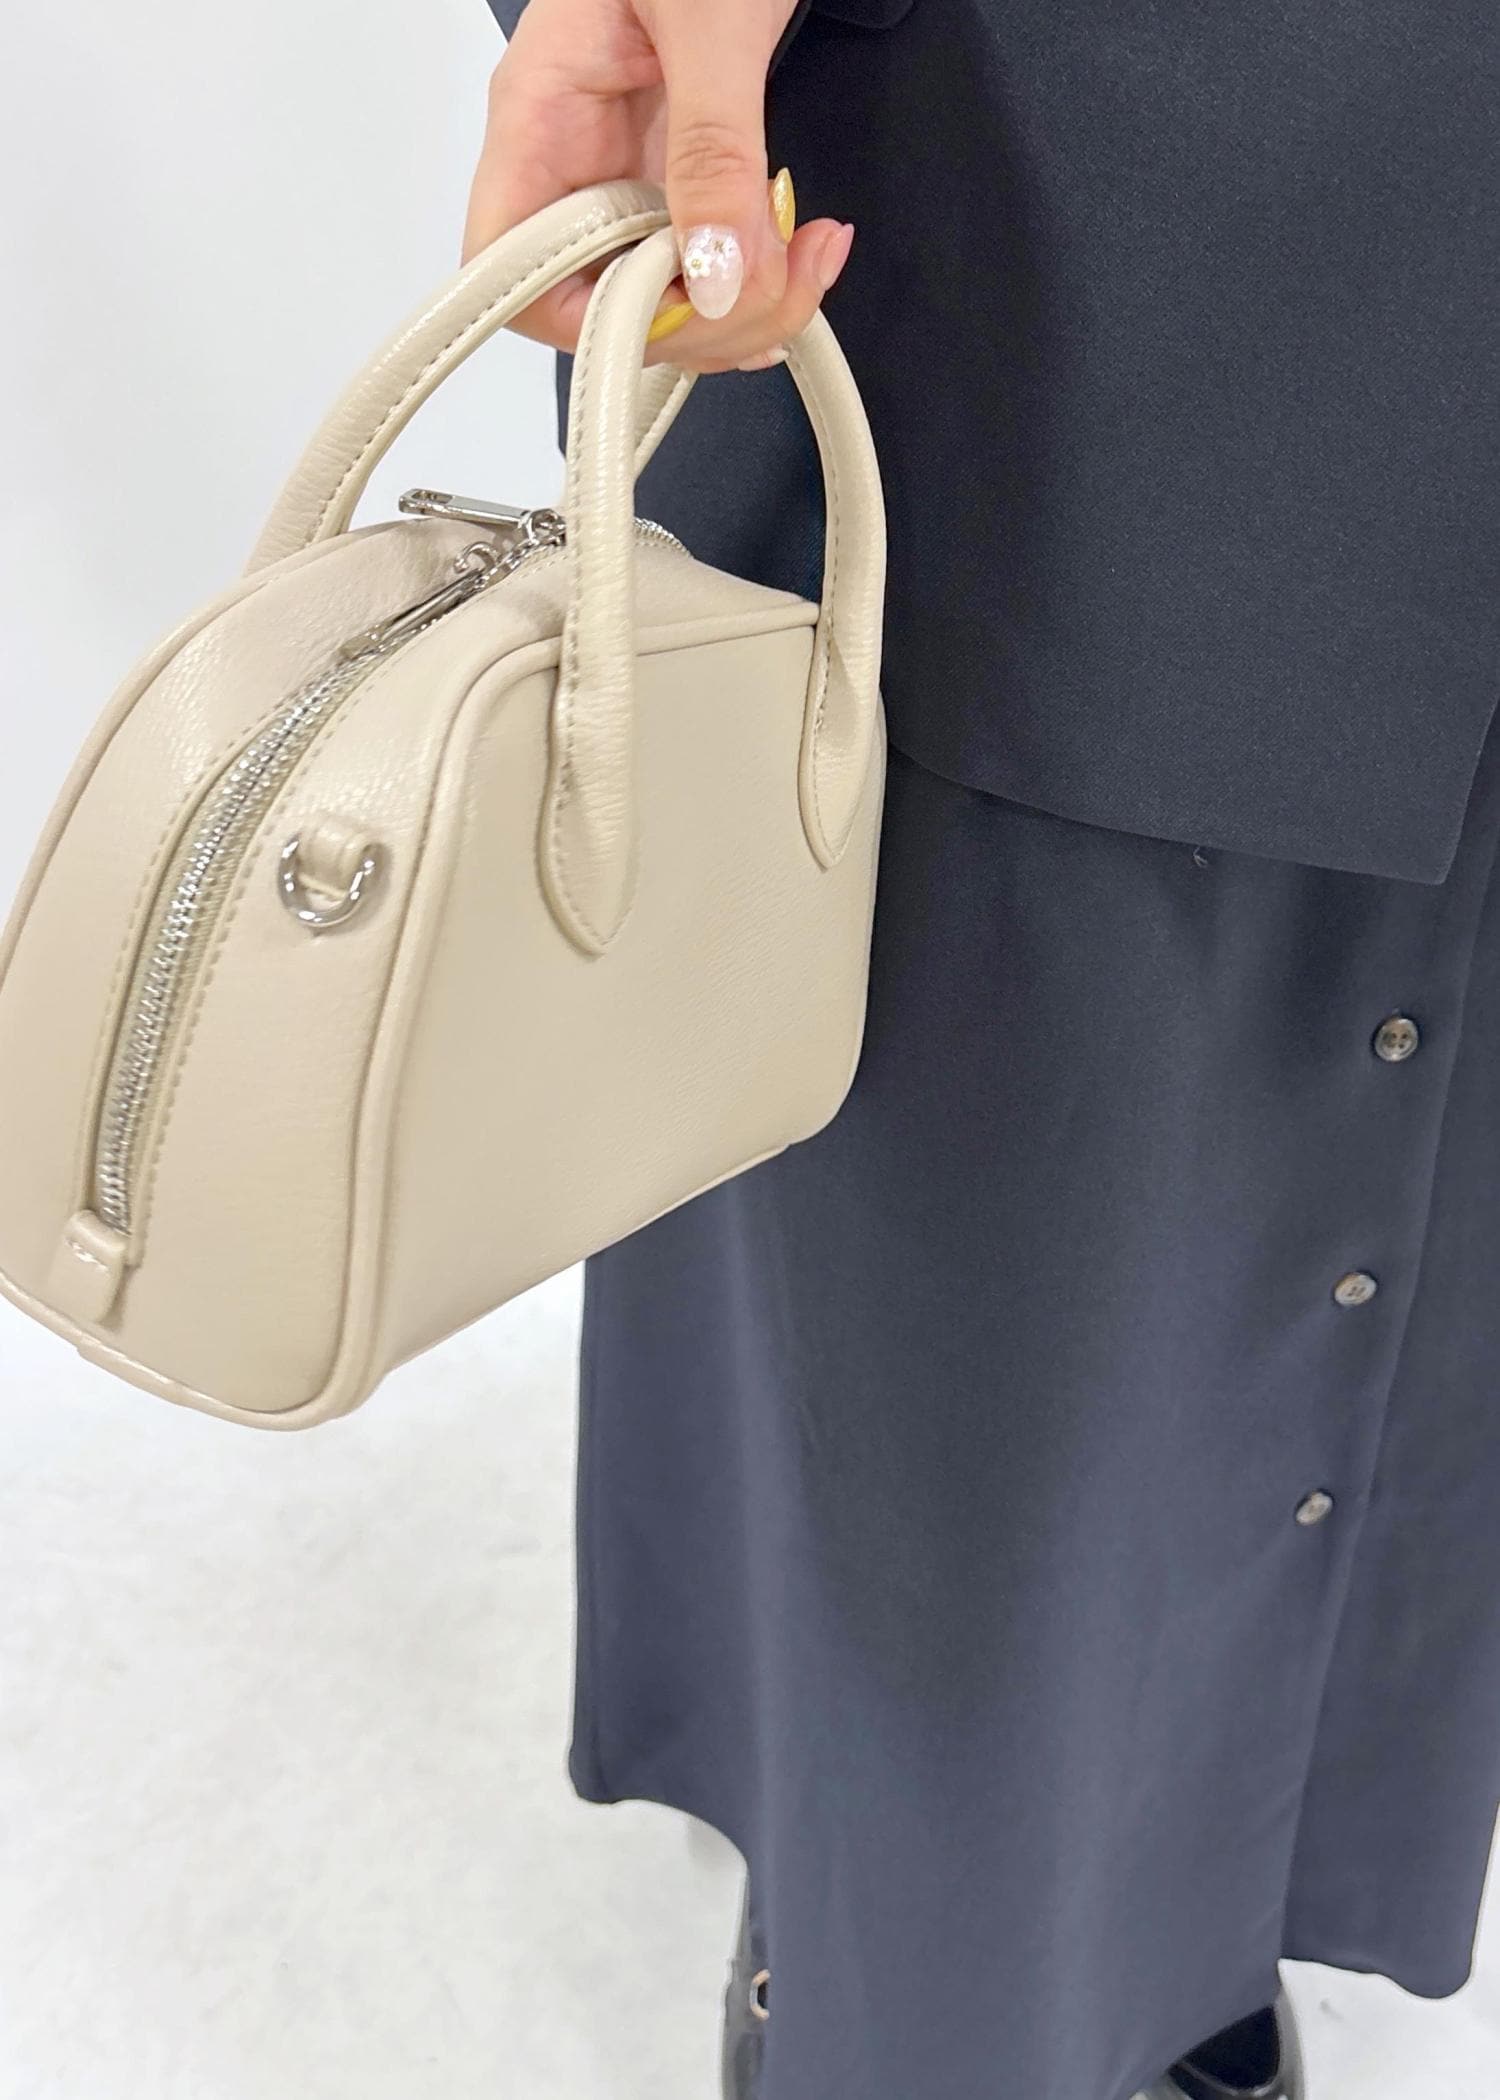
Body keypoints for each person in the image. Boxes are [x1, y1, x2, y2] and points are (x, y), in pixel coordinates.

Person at [464, 5, 1500, 2098]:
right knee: (971, 1256)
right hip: (1058, 246)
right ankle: (913, 1970)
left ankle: (1171, 1909)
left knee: (1404, 1207)